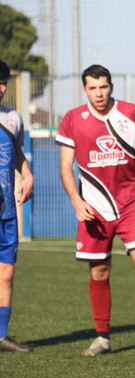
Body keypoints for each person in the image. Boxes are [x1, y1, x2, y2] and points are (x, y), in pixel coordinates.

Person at [56, 64, 135, 356]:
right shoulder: (73, 119)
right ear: (84, 90)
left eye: (104, 87)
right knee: (99, 272)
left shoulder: (132, 113)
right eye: (93, 88)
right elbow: (65, 165)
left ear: (111, 87)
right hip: (93, 209)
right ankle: (102, 337)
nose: (99, 93)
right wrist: (76, 201)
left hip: (131, 204)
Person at [0, 60, 34, 352]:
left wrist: (28, 173)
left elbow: (17, 153)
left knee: (7, 274)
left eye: (3, 82)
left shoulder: (13, 118)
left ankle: (1, 335)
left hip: (7, 211)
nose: (0, 88)